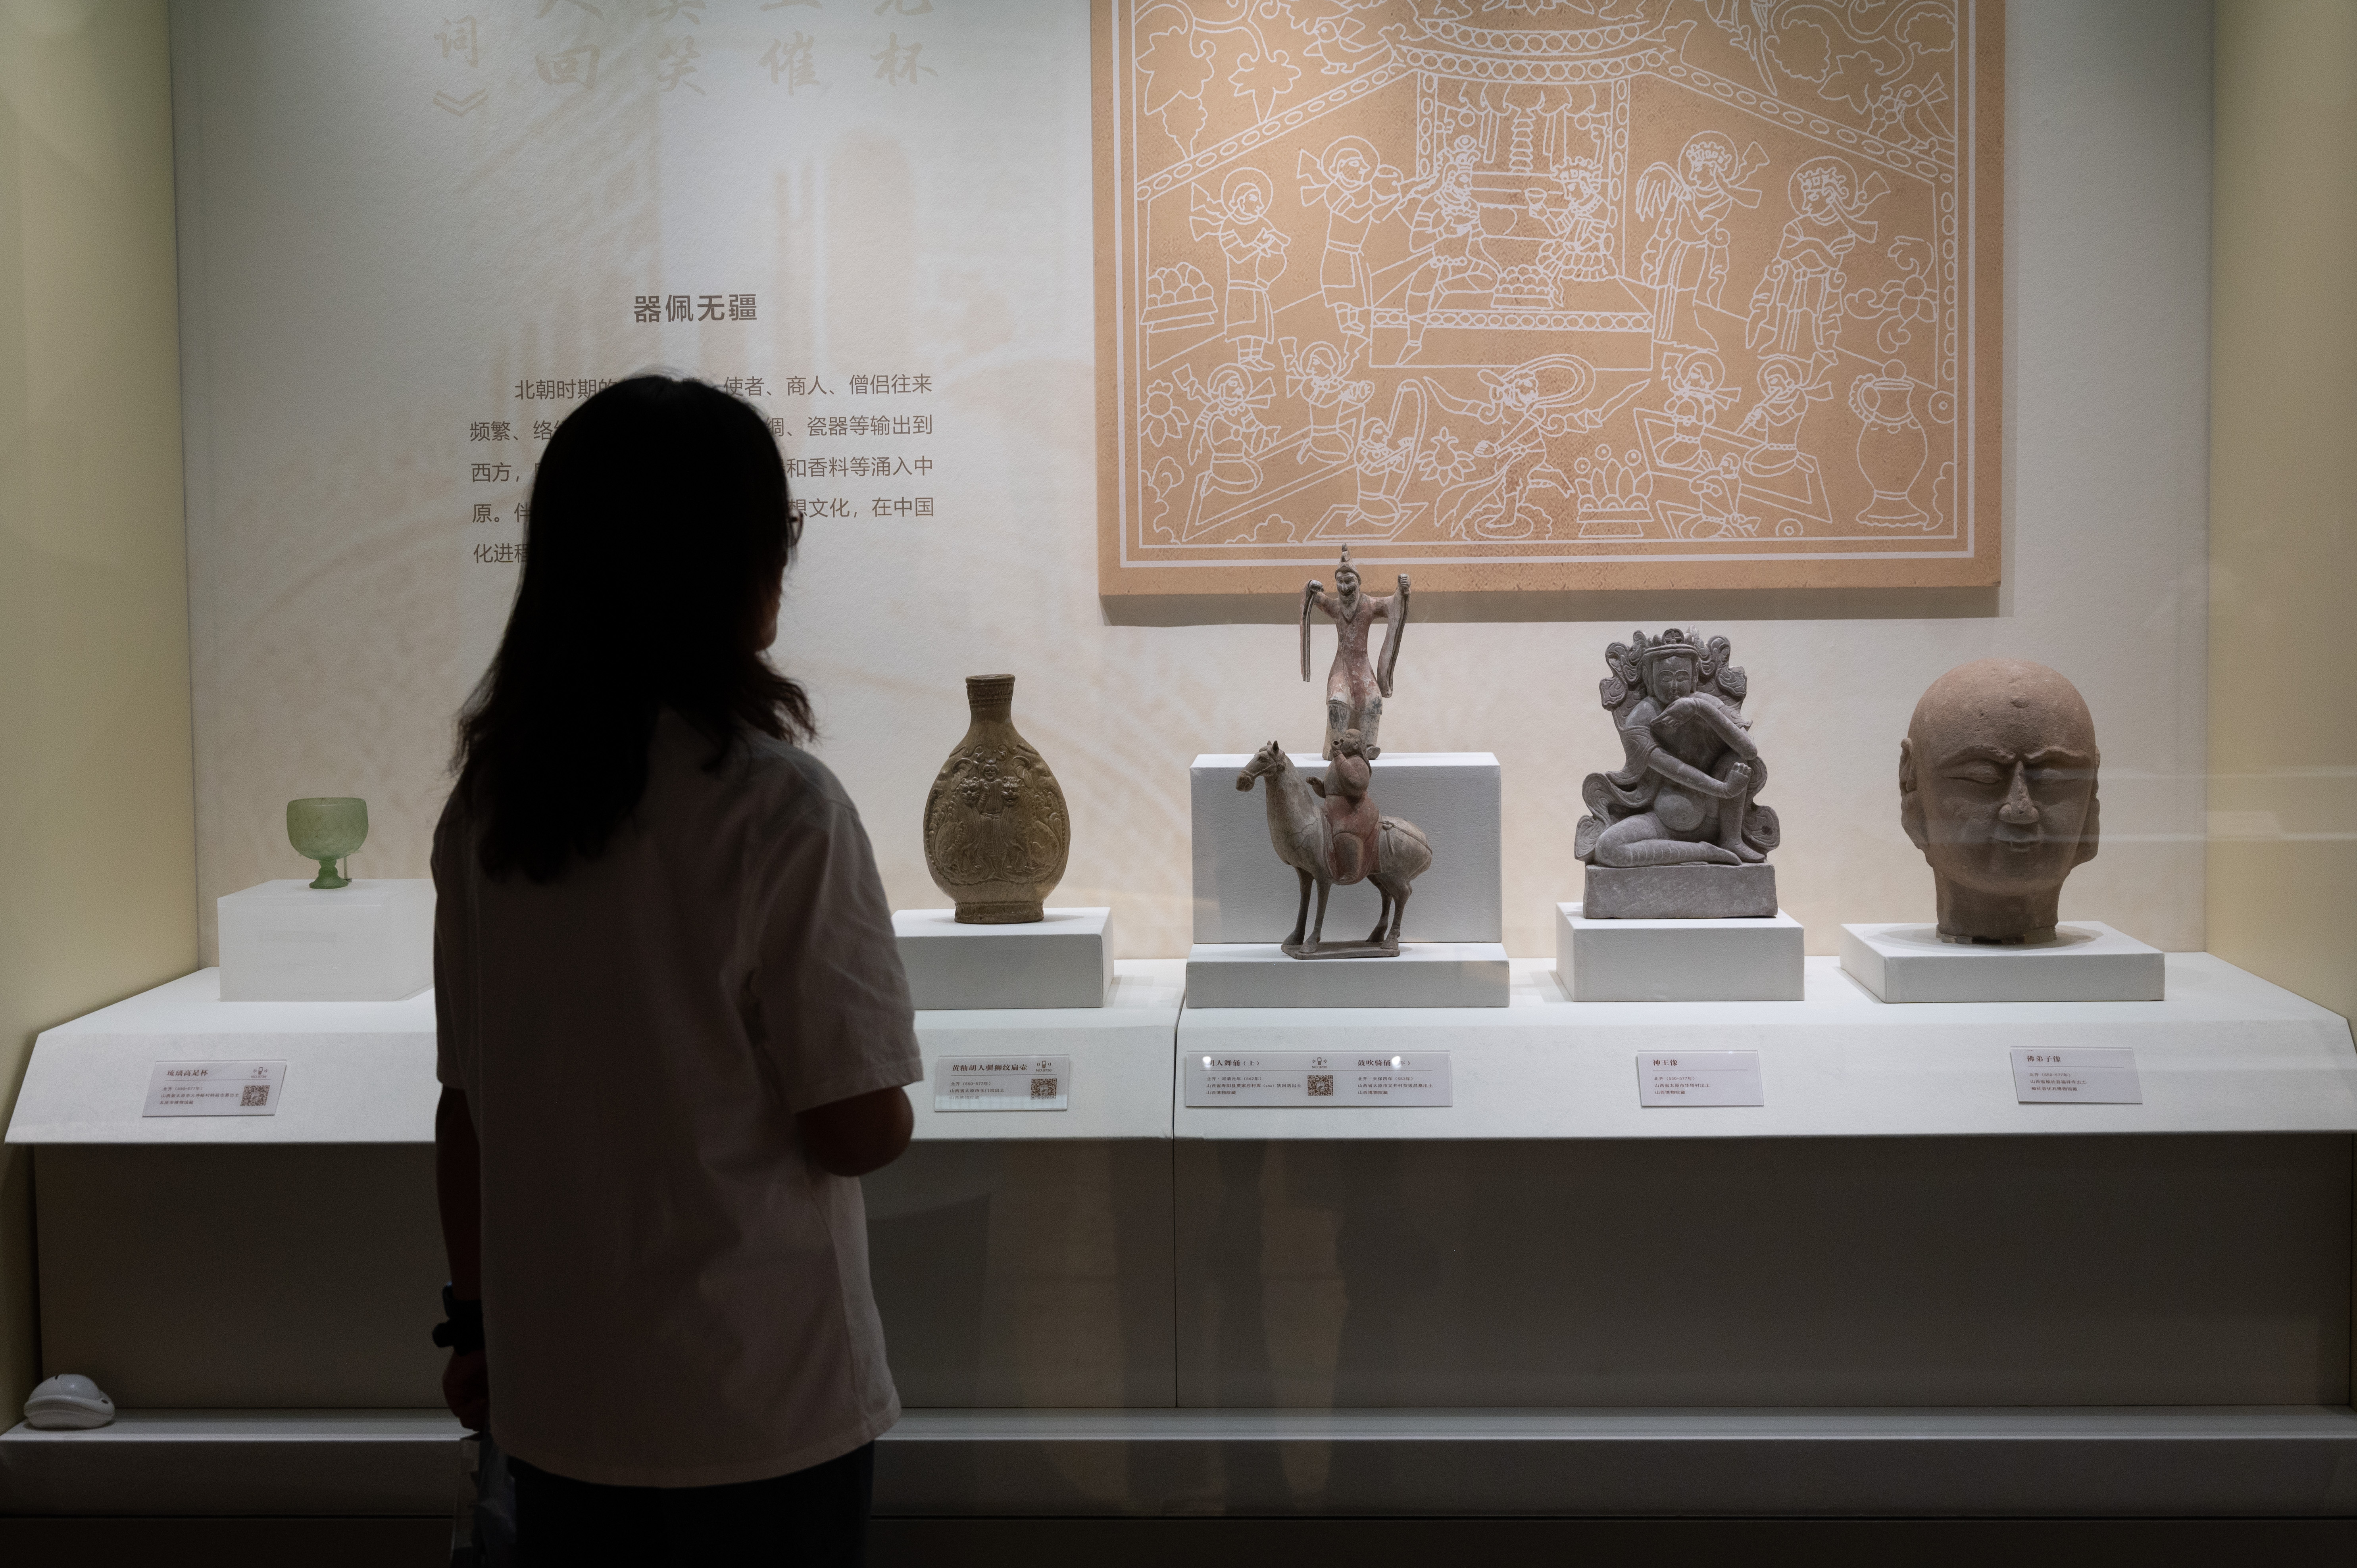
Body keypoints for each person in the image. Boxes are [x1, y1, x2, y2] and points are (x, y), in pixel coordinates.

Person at [431, 375, 921, 1563]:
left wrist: (474, 1329)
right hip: (758, 1393)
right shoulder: (776, 807)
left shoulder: (494, 809)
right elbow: (856, 1125)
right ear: (733, 562)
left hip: (562, 1391)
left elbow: (466, 1108)